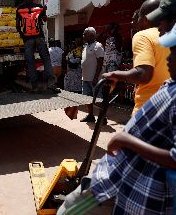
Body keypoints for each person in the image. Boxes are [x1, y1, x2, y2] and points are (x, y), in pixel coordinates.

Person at [57, 27, 176, 215]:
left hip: (138, 180)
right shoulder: (170, 84)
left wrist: (125, 140)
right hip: (120, 170)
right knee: (70, 208)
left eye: (174, 53)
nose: (168, 58)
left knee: (68, 211)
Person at [103, 0, 170, 115]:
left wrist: (114, 74)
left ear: (145, 19)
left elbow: (143, 74)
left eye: (138, 17)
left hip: (149, 110)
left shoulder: (143, 36)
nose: (134, 22)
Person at [16, 0, 57, 92]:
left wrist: (23, 36)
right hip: (39, 37)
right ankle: (51, 82)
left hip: (28, 40)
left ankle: (34, 86)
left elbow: (17, 26)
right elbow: (45, 20)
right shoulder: (39, 7)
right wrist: (44, 11)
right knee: (46, 59)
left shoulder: (20, 9)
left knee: (31, 62)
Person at [80, 27, 104, 123]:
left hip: (94, 79)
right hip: (85, 78)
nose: (83, 36)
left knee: (98, 100)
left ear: (91, 35)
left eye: (85, 34)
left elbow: (100, 63)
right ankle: (90, 116)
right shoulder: (85, 46)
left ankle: (103, 118)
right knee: (87, 99)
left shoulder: (98, 46)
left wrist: (95, 77)